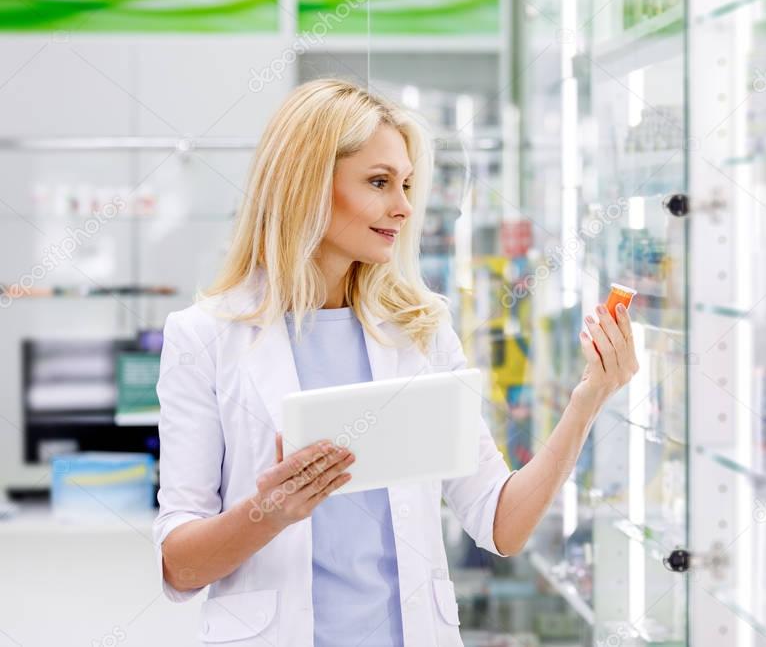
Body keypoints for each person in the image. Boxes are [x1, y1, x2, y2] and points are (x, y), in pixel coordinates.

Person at [153, 78, 638, 647]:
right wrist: (270, 510)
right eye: (379, 182)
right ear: (307, 185)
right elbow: (179, 567)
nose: (404, 207)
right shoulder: (205, 337)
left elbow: (501, 524)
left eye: (406, 184)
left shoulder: (421, 329)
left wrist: (587, 401)